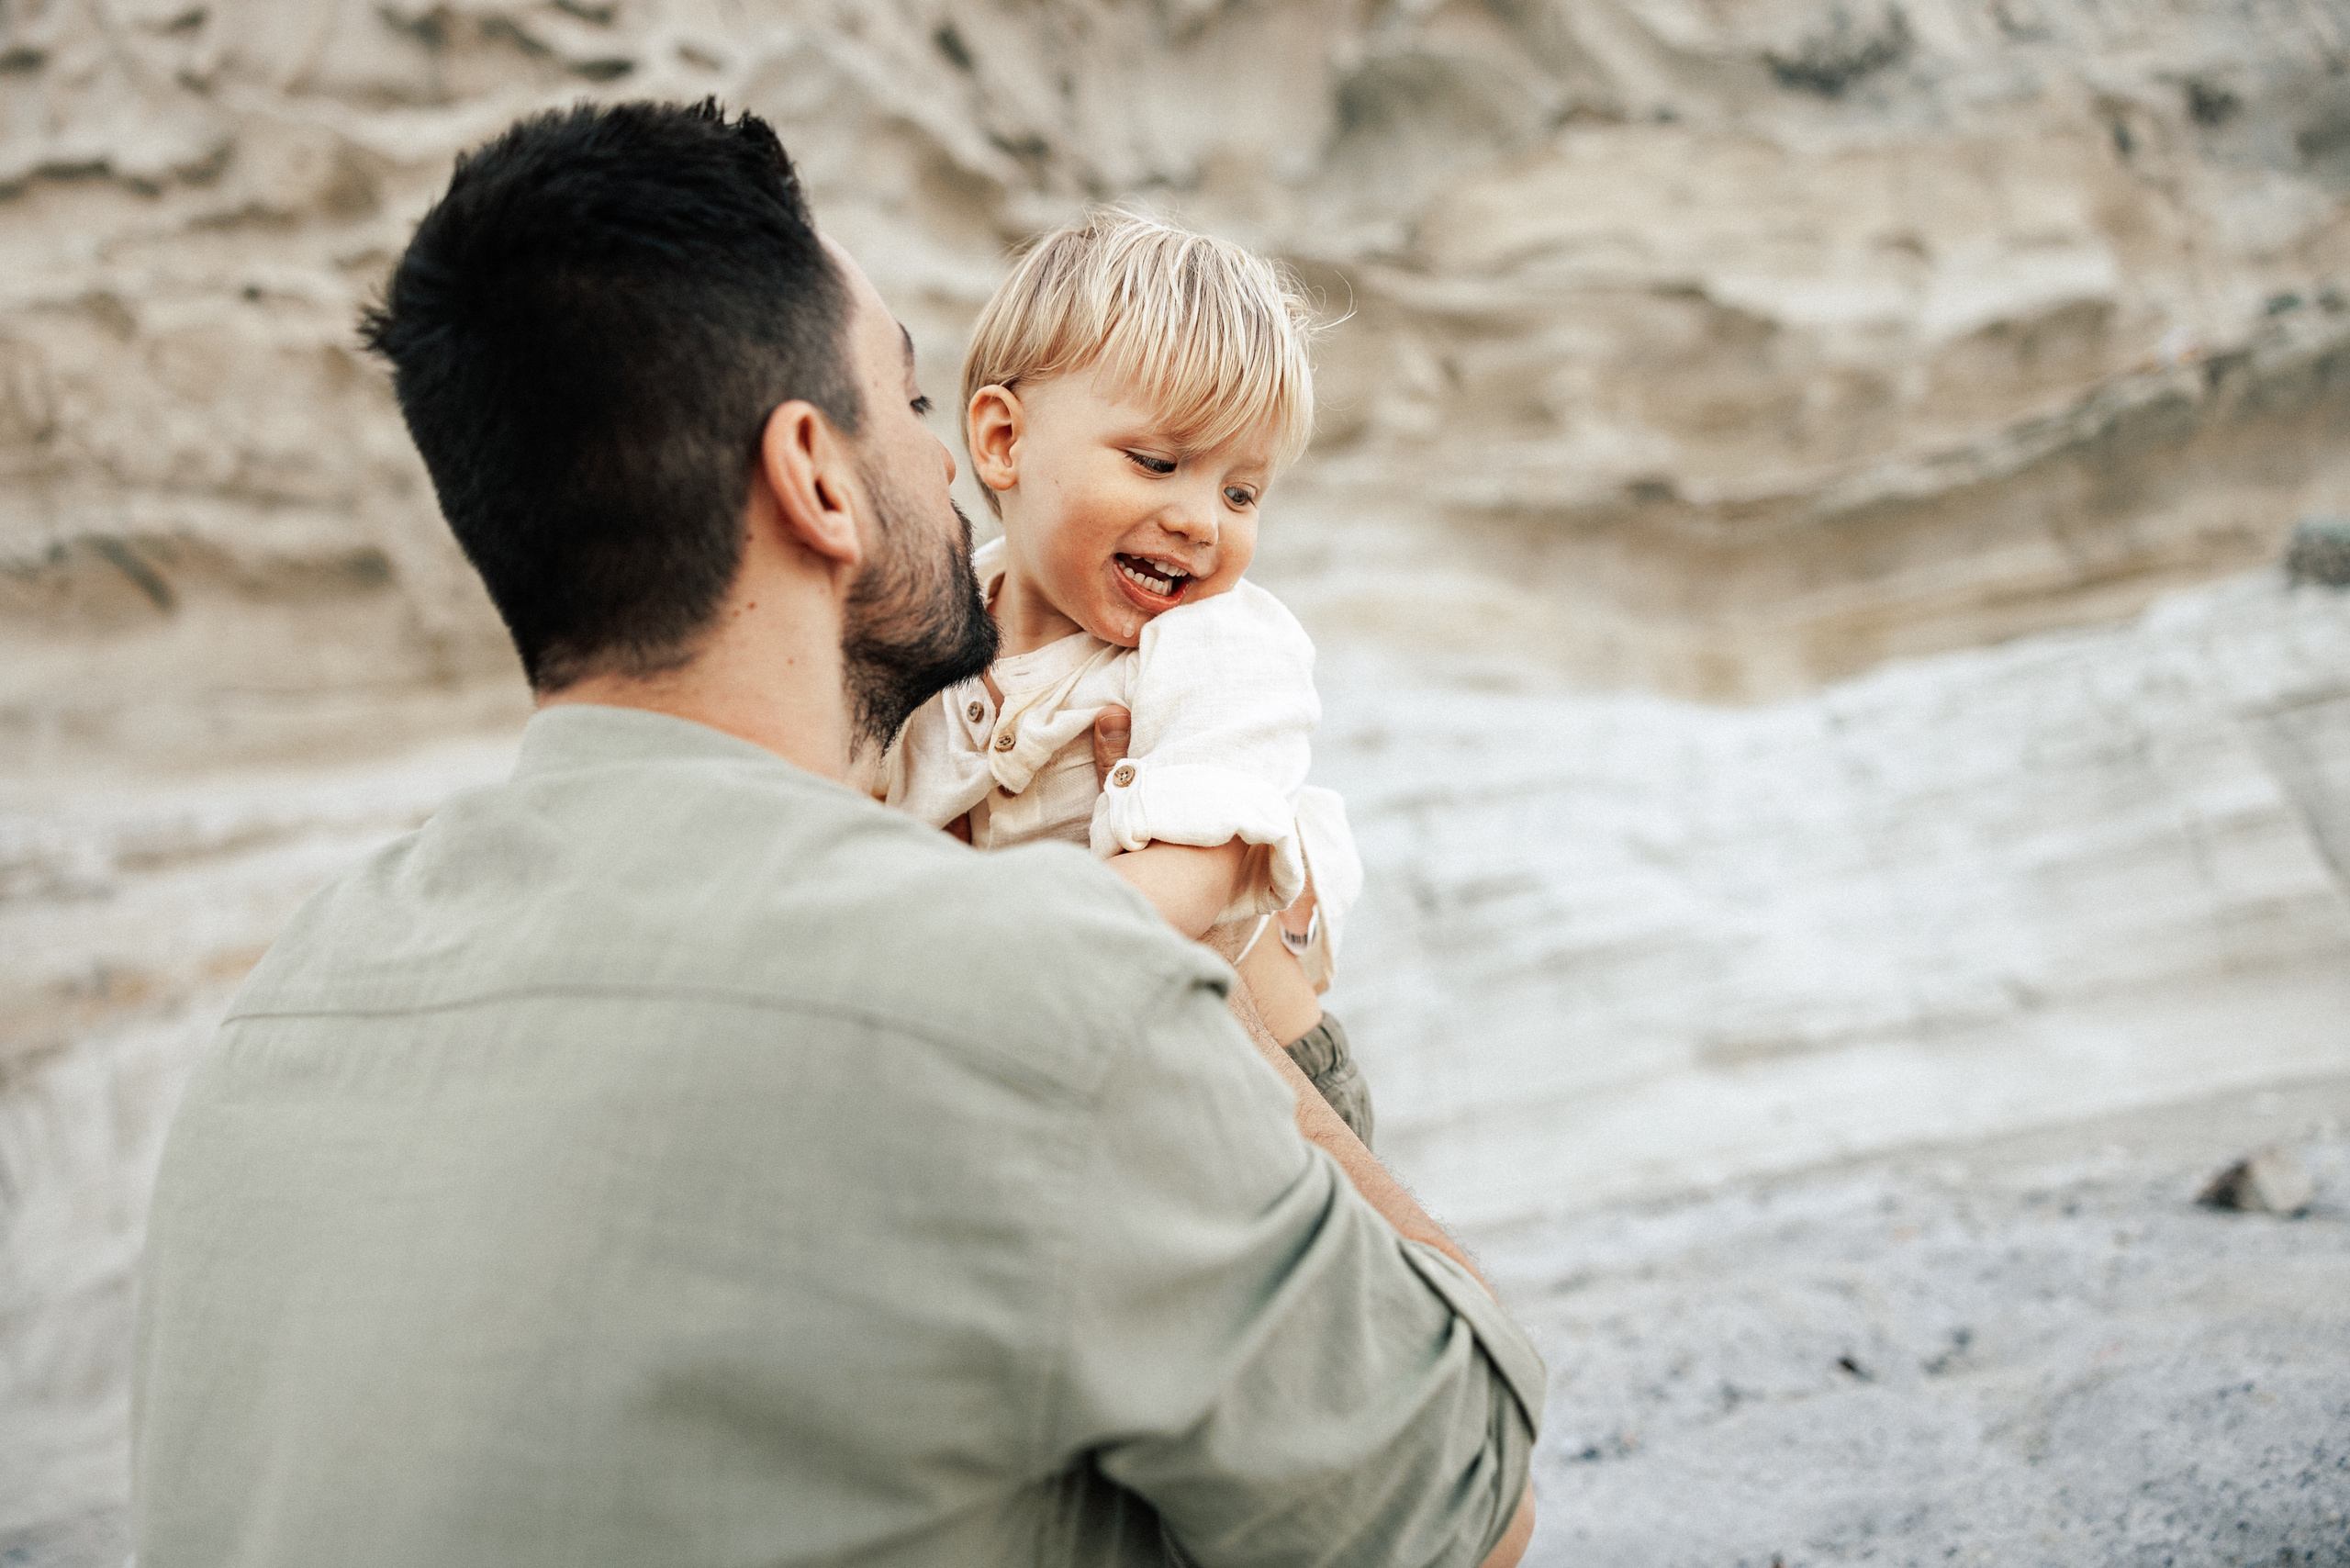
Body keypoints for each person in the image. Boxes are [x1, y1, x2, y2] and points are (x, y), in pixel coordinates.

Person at [129, 98, 1541, 1567]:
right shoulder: (1008, 998)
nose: (944, 466)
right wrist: (1213, 992)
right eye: (917, 406)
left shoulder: (280, 1016)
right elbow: (1467, 1508)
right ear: (815, 477)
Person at [880, 210, 1372, 1143]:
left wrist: (974, 974)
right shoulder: (933, 626)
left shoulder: (1221, 648)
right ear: (1000, 440)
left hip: (1261, 1081)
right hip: (1063, 1050)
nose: (1200, 521)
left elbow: (1189, 880)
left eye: (1241, 491)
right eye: (1158, 462)